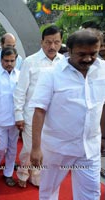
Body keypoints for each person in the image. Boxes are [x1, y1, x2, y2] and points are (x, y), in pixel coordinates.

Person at [30, 28, 104, 200]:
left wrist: (103, 138)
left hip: (89, 149)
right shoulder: (51, 75)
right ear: (69, 51)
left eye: (93, 53)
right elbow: (39, 111)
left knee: (91, 194)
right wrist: (35, 148)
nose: (88, 59)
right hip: (57, 149)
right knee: (48, 192)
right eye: (81, 54)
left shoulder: (103, 71)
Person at [13, 25, 64, 188]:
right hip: (32, 115)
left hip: (54, 116)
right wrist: (18, 115)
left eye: (56, 42)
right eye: (48, 42)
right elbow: (20, 91)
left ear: (61, 42)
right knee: (29, 148)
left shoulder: (64, 62)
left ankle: (36, 176)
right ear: (42, 42)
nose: (52, 46)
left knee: (46, 149)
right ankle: (22, 172)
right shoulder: (30, 61)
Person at [0, 47, 20, 187]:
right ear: (1, 60)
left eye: (12, 60)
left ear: (16, 60)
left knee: (13, 148)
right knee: (0, 148)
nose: (9, 63)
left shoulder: (20, 76)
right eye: (6, 60)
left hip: (15, 120)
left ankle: (8, 174)